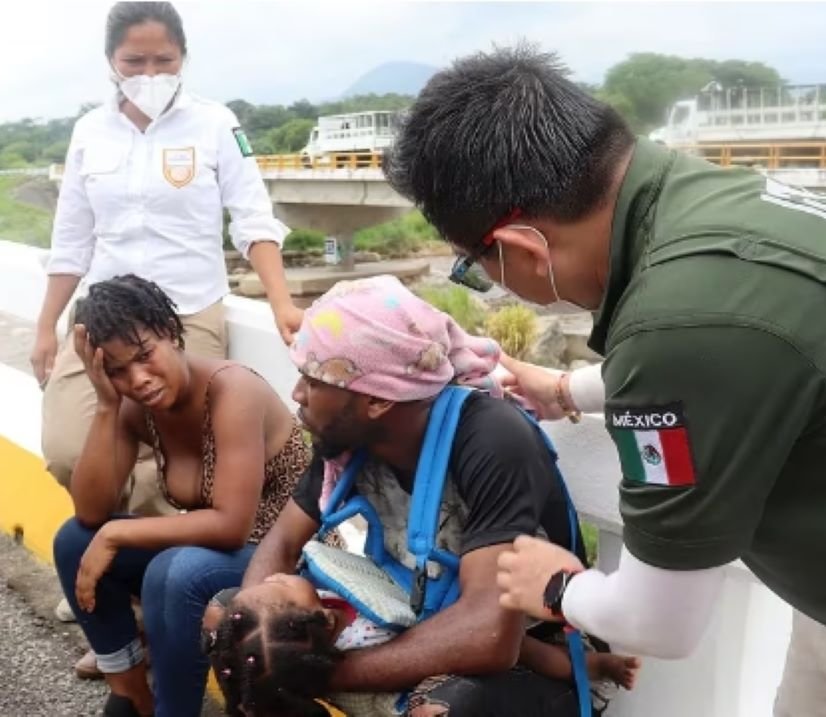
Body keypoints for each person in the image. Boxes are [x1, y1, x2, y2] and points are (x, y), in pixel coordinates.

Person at [383, 45, 826, 715]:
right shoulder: (696, 203)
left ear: (522, 245)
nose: (486, 281)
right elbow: (738, 355)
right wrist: (567, 391)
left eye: (475, 266)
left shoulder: (683, 318)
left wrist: (554, 584)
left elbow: (658, 622)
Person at [232, 275, 627, 717]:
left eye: (313, 379)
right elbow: (282, 543)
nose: (297, 394)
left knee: (447, 708)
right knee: (232, 625)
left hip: (532, 656)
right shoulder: (347, 437)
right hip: (410, 620)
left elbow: (488, 635)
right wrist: (253, 629)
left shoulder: (490, 438)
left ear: (377, 401)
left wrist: (312, 673)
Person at [33, 0, 301, 516]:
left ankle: (149, 584)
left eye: (165, 60)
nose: (151, 74)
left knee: (174, 461)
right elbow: (71, 241)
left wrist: (282, 303)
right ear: (111, 60)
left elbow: (253, 220)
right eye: (135, 62)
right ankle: (121, 556)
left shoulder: (216, 124)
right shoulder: (89, 132)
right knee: (70, 448)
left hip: (185, 314)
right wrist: (47, 326)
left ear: (184, 57)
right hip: (103, 320)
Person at [52, 275, 310, 717]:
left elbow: (232, 527)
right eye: (117, 370)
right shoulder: (136, 407)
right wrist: (106, 404)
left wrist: (116, 534)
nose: (138, 379)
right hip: (214, 557)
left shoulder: (232, 390)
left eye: (145, 355)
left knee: (174, 572)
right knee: (74, 541)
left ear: (171, 333)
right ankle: (131, 693)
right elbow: (90, 511)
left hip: (287, 558)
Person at [201, 575, 637, 716]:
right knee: (525, 649)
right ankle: (594, 668)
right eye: (278, 586)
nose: (272, 576)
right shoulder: (364, 635)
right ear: (317, 618)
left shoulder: (316, 625)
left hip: (440, 635)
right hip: (446, 656)